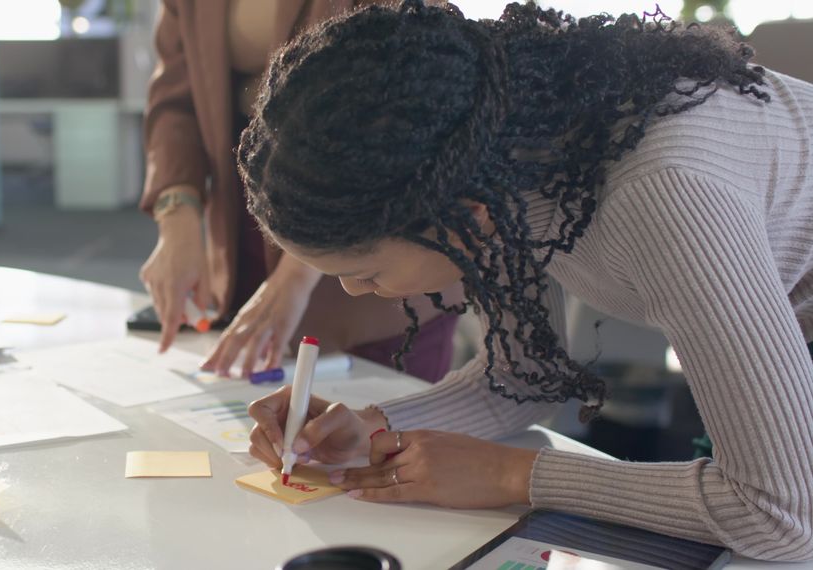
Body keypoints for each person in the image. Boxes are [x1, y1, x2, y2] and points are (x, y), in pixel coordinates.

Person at [242, 1, 813, 561]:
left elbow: (777, 511)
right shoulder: (502, 162)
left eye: (364, 273)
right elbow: (523, 381)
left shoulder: (667, 193)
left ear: (465, 216)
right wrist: (375, 426)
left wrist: (509, 473)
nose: (352, 292)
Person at [139, 0, 461, 382]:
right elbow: (176, 101)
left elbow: (417, 94)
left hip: (378, 238)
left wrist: (295, 277)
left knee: (384, 423)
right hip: (252, 222)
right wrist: (178, 215)